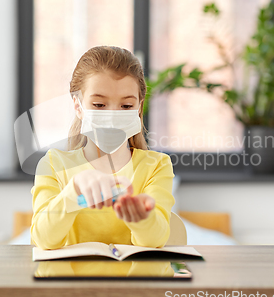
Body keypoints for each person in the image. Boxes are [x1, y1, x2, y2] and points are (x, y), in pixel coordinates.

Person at [30, 46, 175, 250]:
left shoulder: (156, 166)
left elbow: (156, 240)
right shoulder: (54, 164)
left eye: (126, 106)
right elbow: (43, 239)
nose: (112, 115)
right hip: (69, 281)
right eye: (99, 105)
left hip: (133, 280)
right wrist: (73, 190)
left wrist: (142, 218)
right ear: (78, 106)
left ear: (139, 107)